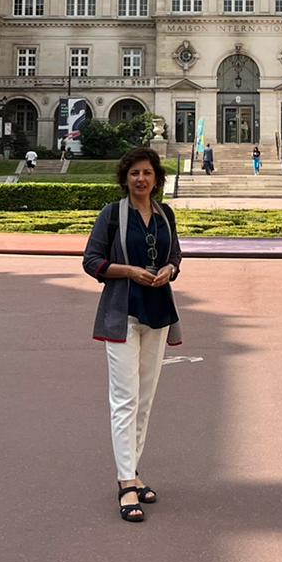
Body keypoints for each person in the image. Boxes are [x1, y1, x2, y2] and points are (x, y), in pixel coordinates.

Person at [81, 147, 183, 524]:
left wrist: (169, 270)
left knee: (145, 399)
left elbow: (176, 254)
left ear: (157, 179)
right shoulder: (112, 214)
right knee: (124, 399)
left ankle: (133, 470)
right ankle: (126, 482)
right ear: (125, 179)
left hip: (157, 312)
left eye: (147, 173)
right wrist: (129, 271)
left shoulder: (165, 214)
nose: (141, 179)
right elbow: (92, 261)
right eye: (134, 173)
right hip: (122, 312)